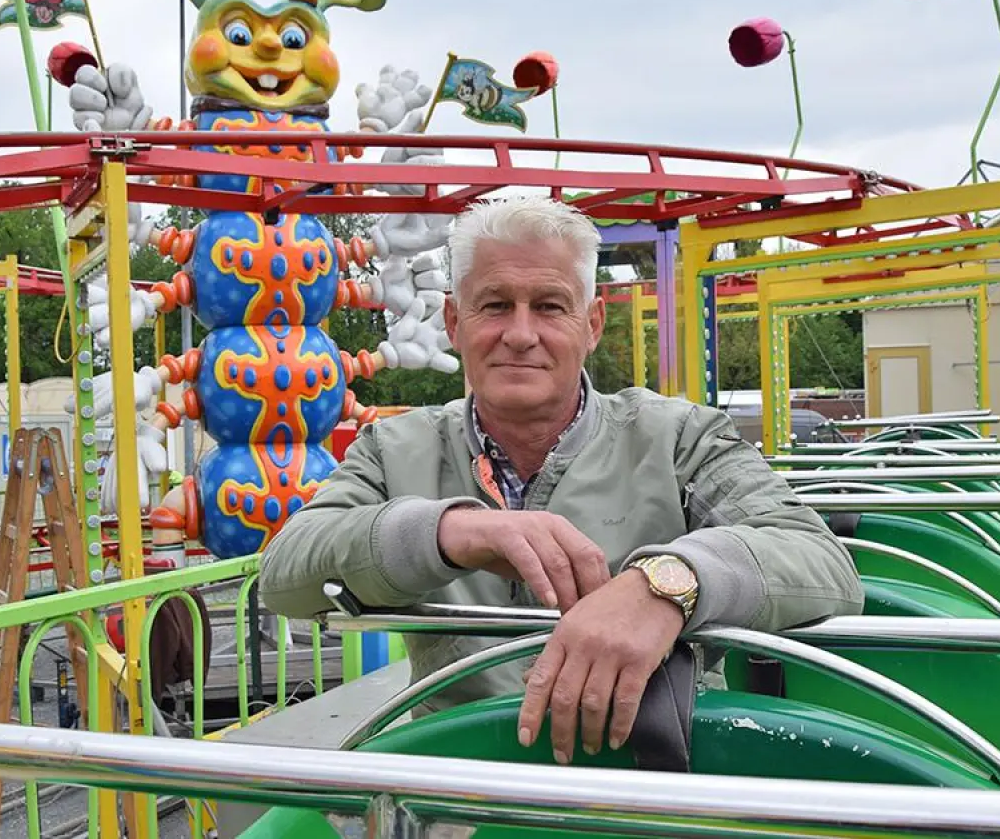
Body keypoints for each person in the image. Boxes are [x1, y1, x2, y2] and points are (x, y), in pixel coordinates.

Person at [259, 195, 863, 765]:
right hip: (459, 793)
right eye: (495, 305)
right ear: (454, 320)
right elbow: (286, 577)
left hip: (649, 778)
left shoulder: (679, 439)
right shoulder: (395, 449)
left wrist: (666, 583)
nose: (520, 334)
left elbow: (819, 560)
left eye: (549, 306)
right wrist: (449, 532)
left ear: (592, 323)